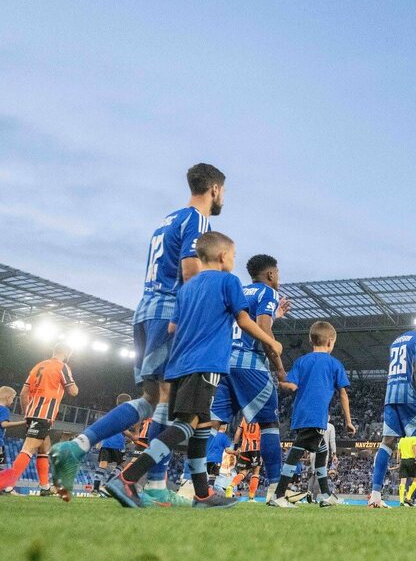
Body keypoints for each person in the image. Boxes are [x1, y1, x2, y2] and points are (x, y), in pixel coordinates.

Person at [52, 164, 227, 506]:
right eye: (224, 193)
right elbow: (191, 274)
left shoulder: (167, 220)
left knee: (151, 400)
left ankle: (77, 447)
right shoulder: (198, 221)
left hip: (145, 309)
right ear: (215, 190)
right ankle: (156, 486)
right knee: (166, 398)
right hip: (168, 311)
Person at [105, 231, 282, 509]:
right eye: (233, 255)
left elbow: (173, 327)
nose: (233, 260)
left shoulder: (187, 287)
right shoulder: (229, 281)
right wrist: (271, 340)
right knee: (187, 425)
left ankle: (202, 494)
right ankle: (128, 477)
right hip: (207, 363)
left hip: (179, 364)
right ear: (223, 256)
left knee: (201, 427)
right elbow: (244, 318)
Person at [210, 254, 289, 503]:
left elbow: (242, 324)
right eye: (278, 273)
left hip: (224, 362)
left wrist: (273, 316)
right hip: (250, 364)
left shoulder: (239, 291)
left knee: (213, 425)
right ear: (270, 274)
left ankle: (194, 483)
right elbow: (264, 333)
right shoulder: (268, 292)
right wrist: (280, 370)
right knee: (269, 425)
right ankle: (276, 492)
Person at [269, 321, 355, 508]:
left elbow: (289, 385)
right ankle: (278, 495)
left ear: (310, 340)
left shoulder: (301, 361)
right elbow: (342, 393)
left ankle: (326, 494)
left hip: (301, 414)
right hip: (316, 416)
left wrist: (282, 382)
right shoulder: (334, 364)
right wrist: (348, 421)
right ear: (331, 341)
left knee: (322, 450)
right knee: (297, 451)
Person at [368, 317, 416, 508]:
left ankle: (375, 495)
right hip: (409, 395)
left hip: (391, 394)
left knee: (387, 443)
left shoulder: (397, 340)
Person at [0, 344, 79, 497]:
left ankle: (44, 487)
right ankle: (6, 485)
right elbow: (73, 391)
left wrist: (27, 414)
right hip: (44, 413)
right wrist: (73, 383)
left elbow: (24, 393)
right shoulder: (62, 366)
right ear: (68, 353)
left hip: (33, 413)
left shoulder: (38, 366)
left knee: (44, 448)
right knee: (28, 448)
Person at [94, 393, 135, 494]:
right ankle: (107, 484)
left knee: (102, 464)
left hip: (106, 442)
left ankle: (95, 488)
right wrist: (133, 437)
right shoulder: (124, 414)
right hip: (117, 443)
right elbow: (124, 430)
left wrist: (99, 441)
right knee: (122, 464)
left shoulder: (111, 413)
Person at [0, 386, 28, 494]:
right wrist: (23, 422)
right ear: (7, 397)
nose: (12, 401)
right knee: (1, 468)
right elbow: (4, 424)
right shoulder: (4, 410)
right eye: (12, 398)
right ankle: (4, 489)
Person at [229, 418, 262, 500]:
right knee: (255, 472)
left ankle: (231, 486)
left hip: (244, 448)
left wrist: (236, 446)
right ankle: (251, 497)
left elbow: (238, 432)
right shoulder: (261, 417)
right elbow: (263, 434)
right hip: (256, 448)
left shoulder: (245, 417)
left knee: (243, 472)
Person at [307, 419, 337, 502]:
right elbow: (332, 441)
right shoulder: (330, 426)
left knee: (313, 473)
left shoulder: (316, 423)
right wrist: (334, 454)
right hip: (323, 451)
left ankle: (309, 492)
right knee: (319, 474)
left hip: (313, 451)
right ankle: (314, 498)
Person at [396, 435, 416, 507]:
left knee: (402, 481)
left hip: (403, 461)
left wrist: (397, 463)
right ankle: (408, 497)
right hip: (411, 460)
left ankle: (401, 501)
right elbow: (414, 449)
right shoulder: (413, 438)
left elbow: (398, 453)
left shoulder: (401, 439)